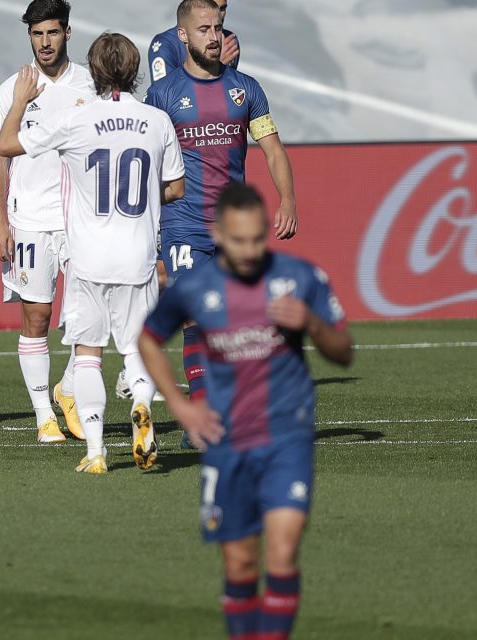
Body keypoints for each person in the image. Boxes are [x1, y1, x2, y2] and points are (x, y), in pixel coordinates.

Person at [139, 183, 352, 640]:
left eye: (258, 238)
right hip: (227, 444)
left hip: (286, 439)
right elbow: (148, 339)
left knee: (282, 553)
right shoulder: (196, 287)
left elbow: (344, 351)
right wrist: (181, 405)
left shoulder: (299, 278)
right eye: (239, 241)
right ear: (217, 233)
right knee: (239, 563)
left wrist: (311, 324)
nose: (251, 250)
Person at [0, 32, 185, 474]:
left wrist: (21, 101)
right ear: (135, 71)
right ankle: (141, 404)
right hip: (138, 255)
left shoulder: (78, 120)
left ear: (94, 72)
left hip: (88, 257)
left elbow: (6, 145)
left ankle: (97, 452)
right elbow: (176, 187)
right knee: (137, 349)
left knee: (87, 353)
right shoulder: (157, 121)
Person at [145, 0, 296, 421]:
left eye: (218, 28)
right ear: (183, 36)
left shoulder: (246, 88)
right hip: (184, 223)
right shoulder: (162, 95)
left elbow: (272, 148)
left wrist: (287, 200)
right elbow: (147, 160)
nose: (214, 37)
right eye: (204, 29)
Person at [0, 0, 93, 445]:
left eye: (52, 33)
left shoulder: (92, 83)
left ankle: (69, 388)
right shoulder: (11, 88)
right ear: (29, 36)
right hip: (28, 218)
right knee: (38, 315)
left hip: (81, 217)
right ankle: (44, 414)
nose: (44, 42)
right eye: (36, 34)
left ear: (68, 32)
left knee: (94, 312)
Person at [148, 0, 240, 86]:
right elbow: (164, 97)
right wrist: (215, 68)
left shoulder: (230, 42)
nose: (217, 14)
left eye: (222, 8)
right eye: (210, 6)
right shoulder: (165, 44)